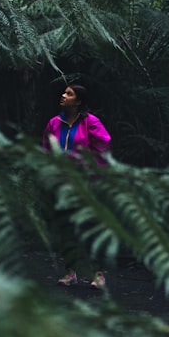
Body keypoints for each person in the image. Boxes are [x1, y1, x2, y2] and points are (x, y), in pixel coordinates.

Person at [42, 83, 111, 289]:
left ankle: (98, 274)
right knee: (67, 229)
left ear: (78, 101)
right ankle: (70, 273)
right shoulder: (54, 123)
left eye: (69, 94)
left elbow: (104, 145)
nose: (63, 96)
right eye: (64, 92)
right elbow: (46, 150)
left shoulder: (90, 122)